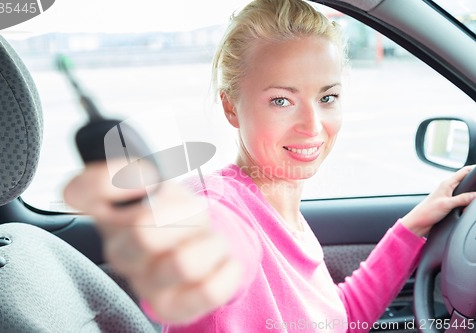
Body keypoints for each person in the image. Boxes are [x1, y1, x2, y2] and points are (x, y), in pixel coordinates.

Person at [63, 0, 476, 332]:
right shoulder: (219, 205)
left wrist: (414, 225)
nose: (313, 126)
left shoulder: (283, 208)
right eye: (282, 100)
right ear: (231, 108)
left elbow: (335, 319)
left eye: (327, 97)